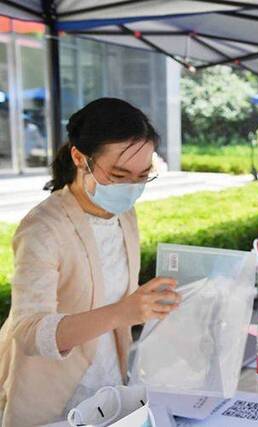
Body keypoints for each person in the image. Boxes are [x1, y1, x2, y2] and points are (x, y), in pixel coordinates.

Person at [0, 98, 181, 426]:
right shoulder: (43, 227)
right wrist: (124, 311)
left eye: (143, 175)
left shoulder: (124, 215)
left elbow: (109, 293)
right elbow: (28, 331)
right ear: (79, 158)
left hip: (110, 388)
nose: (131, 188)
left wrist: (152, 302)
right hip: (53, 402)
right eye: (119, 174)